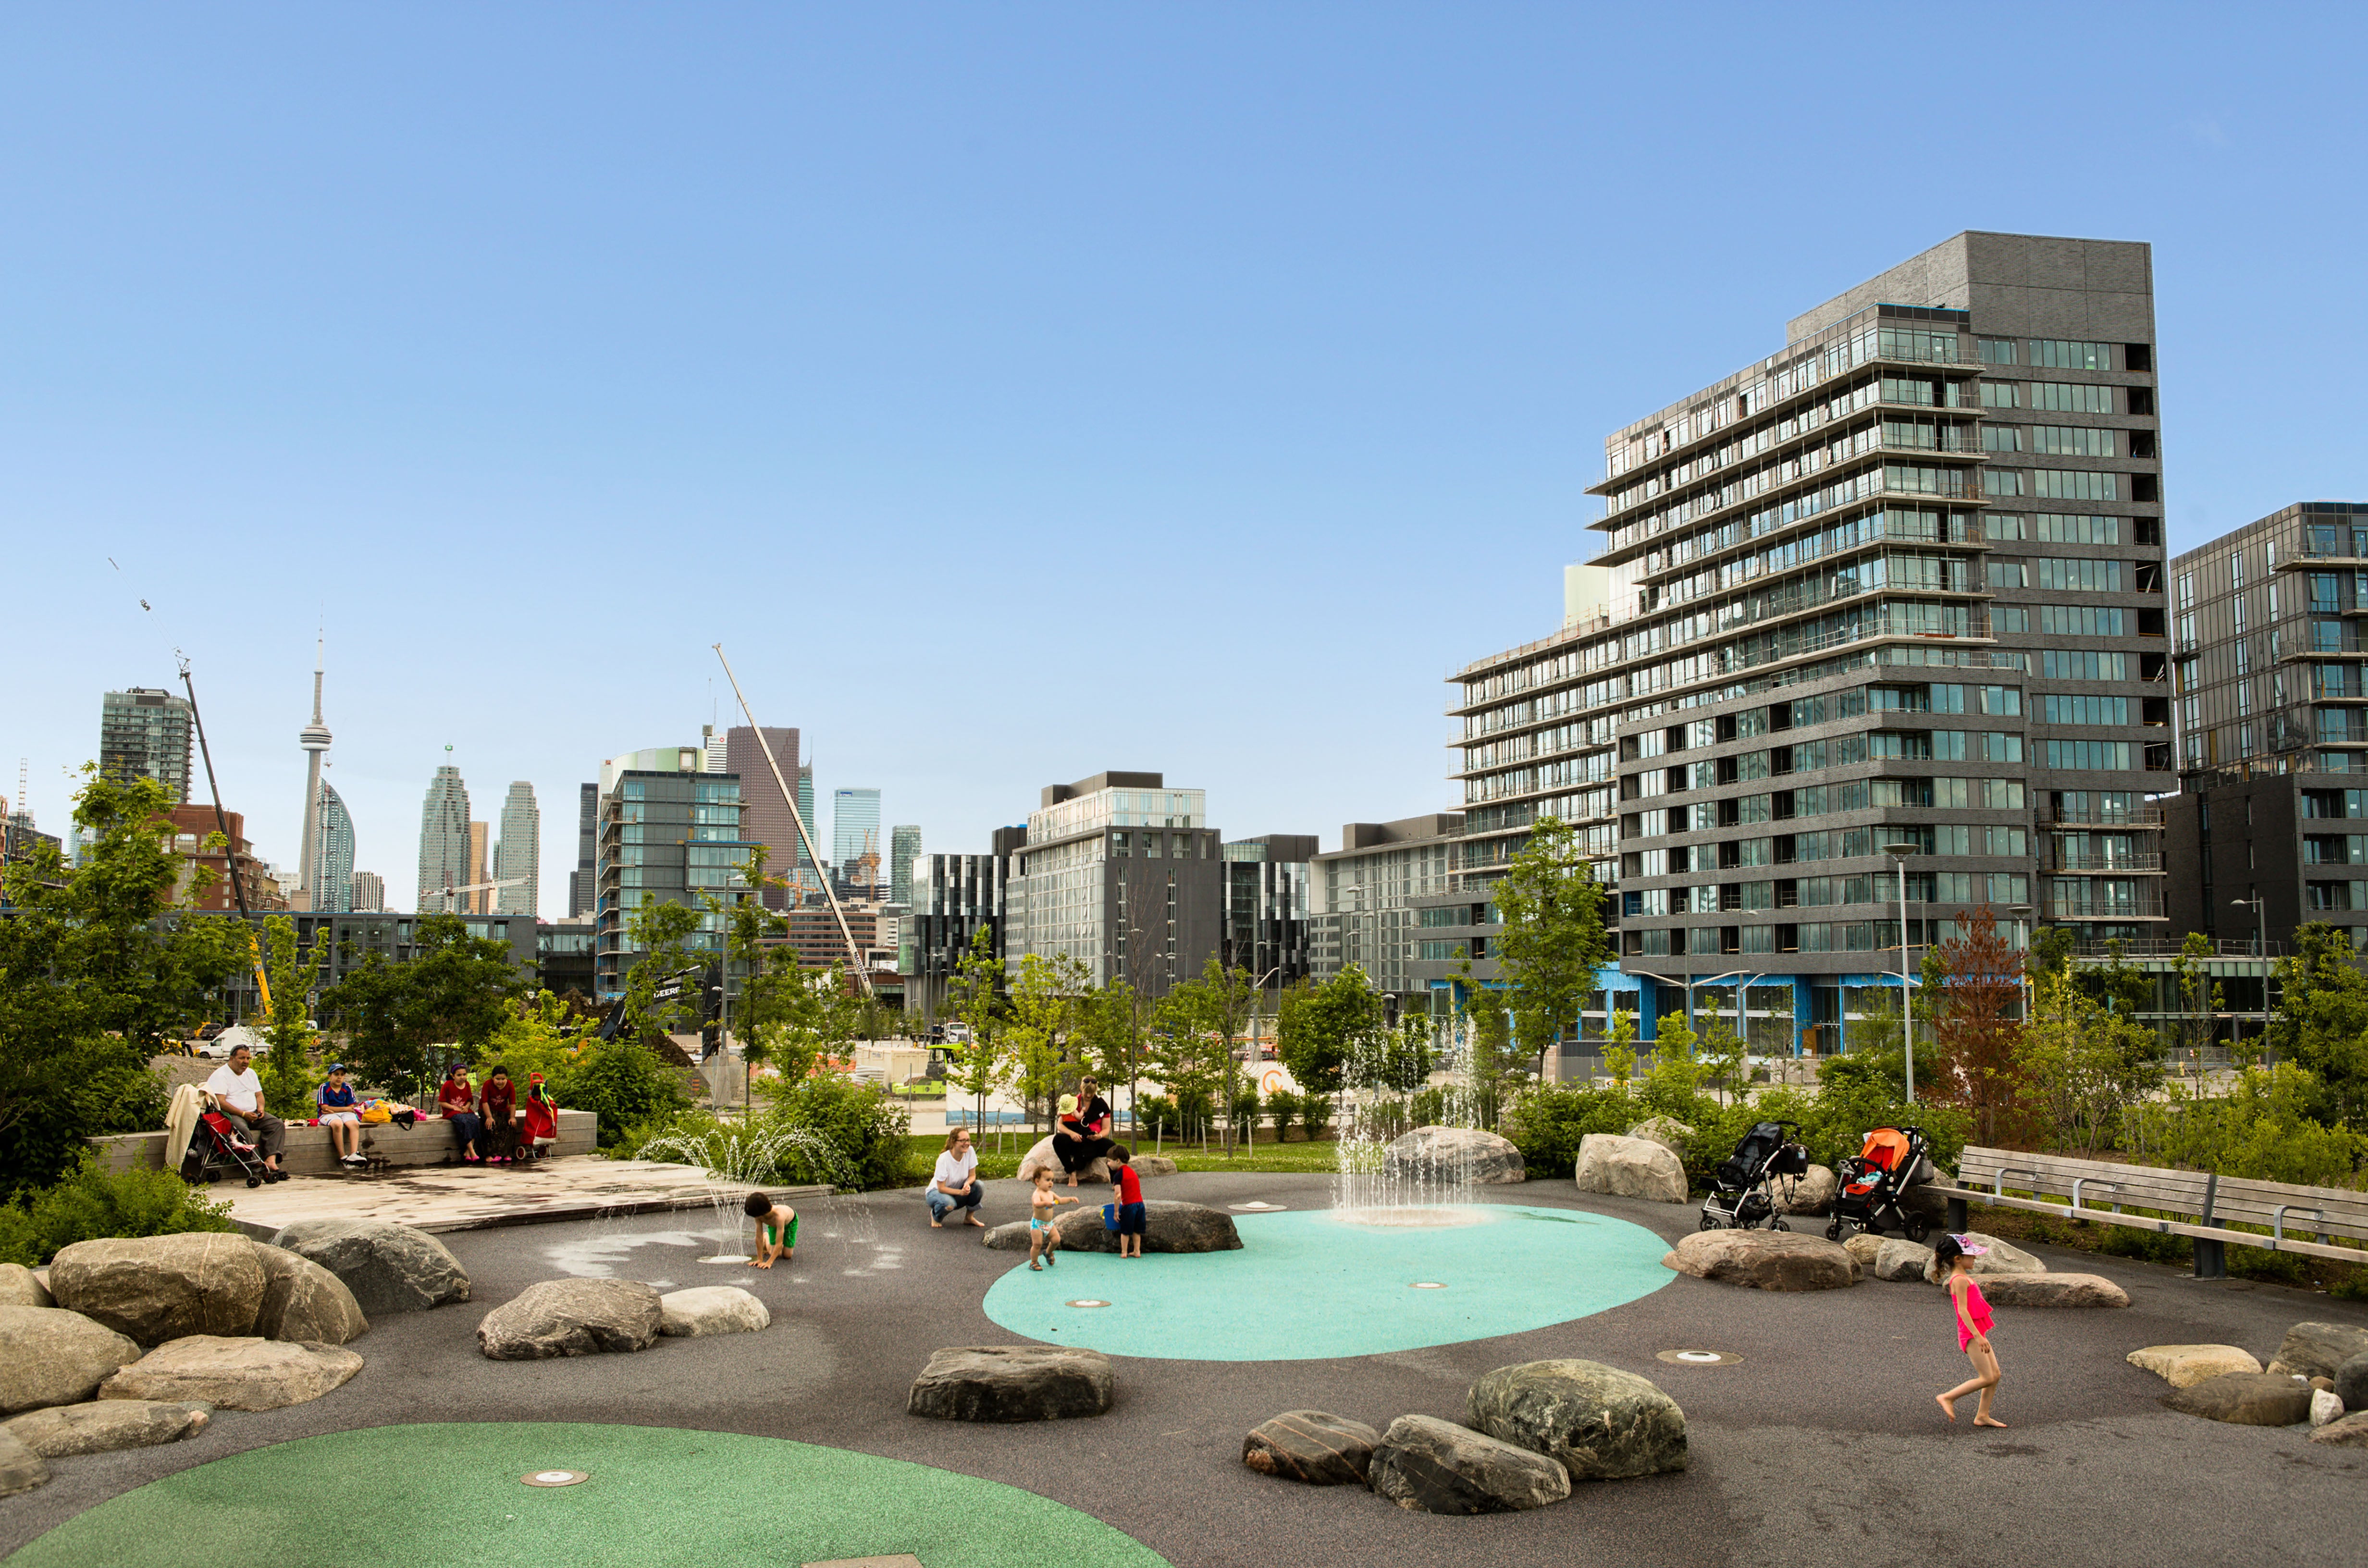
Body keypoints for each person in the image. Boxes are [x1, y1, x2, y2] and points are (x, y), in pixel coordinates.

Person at [1934, 1234, 2006, 1427]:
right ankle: (1948, 1397)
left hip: (1977, 1333)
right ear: (1958, 1259)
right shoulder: (1958, 1280)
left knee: (1995, 1375)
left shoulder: (1964, 1277)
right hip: (1970, 1334)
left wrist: (1981, 1334)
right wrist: (1977, 1336)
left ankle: (1982, 1416)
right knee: (1987, 1377)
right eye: (1971, 1255)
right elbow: (1963, 1311)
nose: (1975, 1258)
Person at [202, 1044, 286, 1181]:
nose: (246, 1061)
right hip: (231, 1115)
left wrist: (261, 1108)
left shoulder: (251, 1073)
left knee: (277, 1124)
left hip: (253, 1113)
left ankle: (271, 1160)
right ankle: (257, 1163)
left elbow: (259, 1095)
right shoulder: (221, 1075)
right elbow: (221, 1102)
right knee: (242, 1129)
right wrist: (243, 1114)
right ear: (231, 1059)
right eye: (242, 1058)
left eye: (248, 1058)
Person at [1053, 1078, 1114, 1186]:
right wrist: (1072, 1134)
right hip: (1077, 1139)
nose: (1089, 1096)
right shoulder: (1073, 1102)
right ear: (1081, 1088)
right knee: (1058, 1140)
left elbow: (1106, 1129)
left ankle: (1116, 1181)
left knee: (1113, 1148)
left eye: (1092, 1093)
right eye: (1087, 1093)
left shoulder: (1101, 1105)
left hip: (1093, 1141)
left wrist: (1099, 1136)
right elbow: (1060, 1125)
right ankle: (1071, 1172)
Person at [928, 1128, 986, 1228]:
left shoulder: (970, 1151)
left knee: (979, 1186)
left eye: (968, 1140)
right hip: (937, 1193)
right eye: (963, 1140)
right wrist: (961, 1193)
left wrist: (967, 1184)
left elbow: (972, 1176)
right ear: (954, 1142)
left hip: (957, 1191)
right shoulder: (944, 1159)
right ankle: (936, 1216)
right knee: (949, 1203)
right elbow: (941, 1188)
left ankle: (969, 1218)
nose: (966, 1143)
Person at [1027, 1168, 1078, 1270]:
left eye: (1052, 1180)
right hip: (1038, 1224)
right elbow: (1037, 1204)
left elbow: (1060, 1200)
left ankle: (1048, 1253)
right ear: (1038, 1182)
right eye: (1048, 1180)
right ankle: (1034, 1262)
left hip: (1049, 1224)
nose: (1051, 1183)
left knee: (1056, 1240)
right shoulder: (1038, 1194)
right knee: (1037, 1244)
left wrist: (1070, 1199)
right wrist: (1046, 1203)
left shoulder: (1051, 1194)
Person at [315, 1064, 366, 1167]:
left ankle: (354, 1153)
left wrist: (338, 1109)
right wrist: (345, 1109)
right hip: (327, 1115)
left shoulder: (347, 1087)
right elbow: (324, 1108)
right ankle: (343, 1157)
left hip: (342, 1113)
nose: (339, 1077)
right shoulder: (324, 1087)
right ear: (330, 1076)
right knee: (337, 1124)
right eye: (336, 1074)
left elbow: (351, 1107)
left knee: (354, 1124)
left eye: (342, 1075)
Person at [436, 1064, 484, 1163]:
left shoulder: (467, 1085)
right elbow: (441, 1102)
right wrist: (454, 1108)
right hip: (452, 1111)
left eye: (464, 1075)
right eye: (459, 1075)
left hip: (464, 1110)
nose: (462, 1077)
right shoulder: (448, 1085)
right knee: (464, 1122)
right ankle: (472, 1151)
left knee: (475, 1120)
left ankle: (467, 1152)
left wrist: (467, 1106)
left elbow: (470, 1100)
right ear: (453, 1076)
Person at [1110, 1144, 1147, 1259]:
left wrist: (1116, 1211)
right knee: (1137, 1231)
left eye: (1109, 1161)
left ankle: (1124, 1252)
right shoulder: (1132, 1172)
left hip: (1129, 1206)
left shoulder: (1118, 1176)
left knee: (1125, 1231)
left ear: (1118, 1161)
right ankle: (1137, 1251)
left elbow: (1118, 1195)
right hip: (1140, 1205)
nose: (1108, 1164)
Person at [744, 1191, 798, 1268]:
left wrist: (769, 1262)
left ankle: (766, 1236)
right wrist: (760, 1259)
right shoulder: (758, 1216)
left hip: (790, 1223)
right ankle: (766, 1238)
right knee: (774, 1252)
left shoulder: (779, 1216)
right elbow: (759, 1237)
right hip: (774, 1225)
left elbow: (779, 1242)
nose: (755, 1217)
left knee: (787, 1256)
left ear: (761, 1211)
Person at [479, 1065, 519, 1164]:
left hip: (503, 1110)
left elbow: (513, 1103)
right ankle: (490, 1154)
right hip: (488, 1110)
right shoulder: (488, 1084)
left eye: (503, 1079)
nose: (500, 1082)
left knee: (510, 1125)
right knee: (492, 1125)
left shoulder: (510, 1085)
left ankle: (506, 1153)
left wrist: (512, 1117)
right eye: (498, 1079)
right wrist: (489, 1117)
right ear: (493, 1078)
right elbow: (485, 1102)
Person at [517, 1072, 558, 1162]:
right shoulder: (547, 1103)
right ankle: (543, 1145)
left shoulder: (535, 1102)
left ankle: (534, 1143)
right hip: (548, 1134)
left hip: (535, 1134)